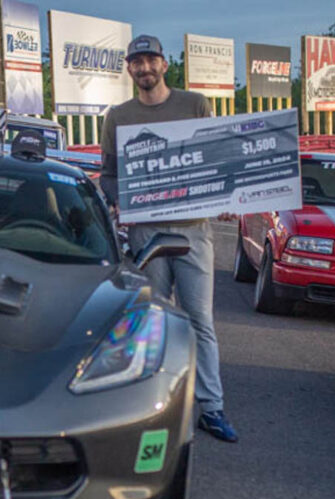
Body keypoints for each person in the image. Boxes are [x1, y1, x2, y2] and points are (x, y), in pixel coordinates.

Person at [100, 34, 239, 443]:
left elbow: (214, 159)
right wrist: (119, 200)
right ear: (128, 68)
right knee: (154, 320)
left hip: (194, 230)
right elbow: (109, 174)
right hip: (146, 232)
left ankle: (211, 408)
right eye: (136, 62)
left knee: (201, 321)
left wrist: (226, 196)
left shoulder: (194, 104)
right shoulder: (118, 116)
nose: (144, 68)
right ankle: (151, 404)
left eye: (150, 60)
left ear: (164, 64)